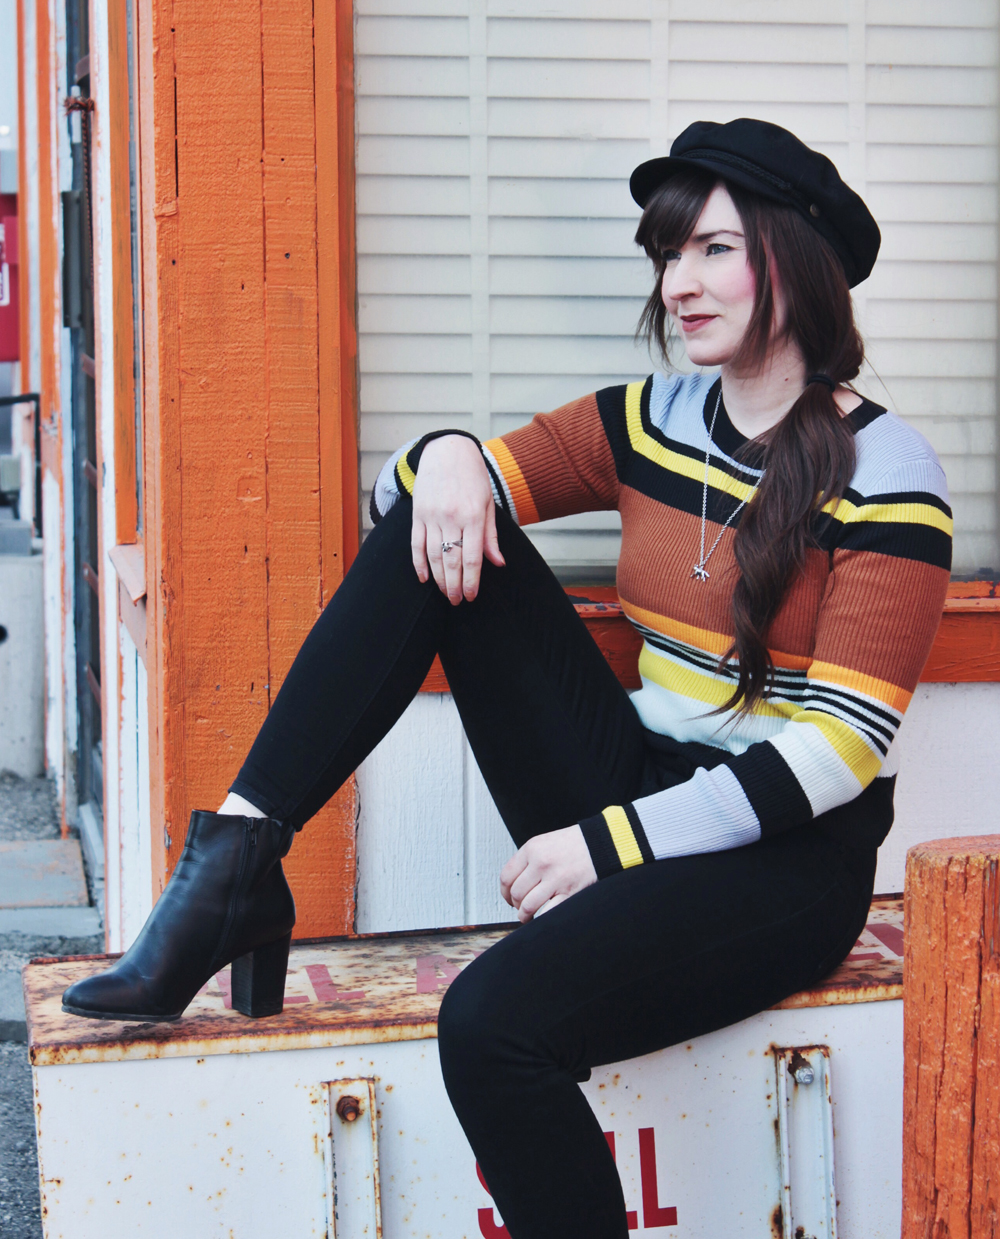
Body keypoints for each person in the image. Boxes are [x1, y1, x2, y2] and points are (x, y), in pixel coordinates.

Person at [62, 118, 951, 1238]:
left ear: (798, 259)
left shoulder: (889, 472)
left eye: (713, 250)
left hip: (782, 859)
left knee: (490, 1025)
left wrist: (608, 845)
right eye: (668, 255)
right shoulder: (646, 421)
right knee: (443, 520)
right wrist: (446, 451)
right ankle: (237, 859)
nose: (676, 283)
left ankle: (232, 885)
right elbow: (409, 508)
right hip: (631, 782)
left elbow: (839, 753)